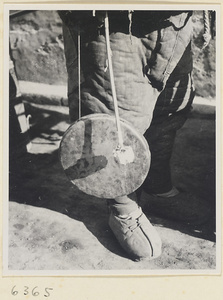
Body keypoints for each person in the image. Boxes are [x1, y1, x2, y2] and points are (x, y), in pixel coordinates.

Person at [59, 10, 211, 261]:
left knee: (169, 109)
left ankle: (157, 189)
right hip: (113, 24)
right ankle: (121, 206)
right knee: (115, 117)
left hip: (173, 21)